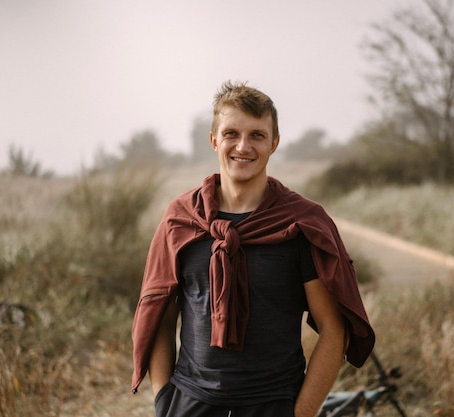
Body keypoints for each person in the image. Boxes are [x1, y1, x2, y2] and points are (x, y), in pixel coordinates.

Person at [131, 81, 374, 417]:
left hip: (273, 402)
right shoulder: (182, 219)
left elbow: (333, 330)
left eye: (257, 135)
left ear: (274, 143)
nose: (243, 146)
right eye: (231, 133)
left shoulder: (301, 223)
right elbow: (160, 313)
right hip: (189, 402)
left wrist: (299, 414)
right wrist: (163, 401)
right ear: (214, 139)